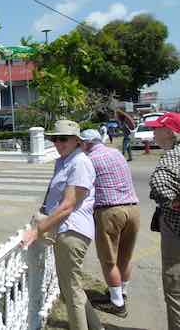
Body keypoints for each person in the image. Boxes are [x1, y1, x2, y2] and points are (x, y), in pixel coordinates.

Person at [22, 120, 103, 330]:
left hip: (73, 231)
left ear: (77, 140)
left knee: (71, 292)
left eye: (63, 139)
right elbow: (54, 197)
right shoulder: (63, 161)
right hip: (64, 230)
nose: (58, 143)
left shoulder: (80, 163)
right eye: (54, 138)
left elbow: (68, 205)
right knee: (71, 288)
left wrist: (37, 230)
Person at [80, 129, 139, 318]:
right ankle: (122, 292)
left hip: (110, 211)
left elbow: (84, 189)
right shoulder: (115, 152)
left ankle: (117, 304)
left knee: (108, 260)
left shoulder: (89, 160)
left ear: (87, 143)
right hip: (133, 209)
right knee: (125, 257)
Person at [146, 112, 180, 330]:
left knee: (175, 286)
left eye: (156, 129)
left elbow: (158, 185)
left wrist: (173, 203)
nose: (153, 133)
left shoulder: (170, 158)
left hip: (175, 230)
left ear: (169, 132)